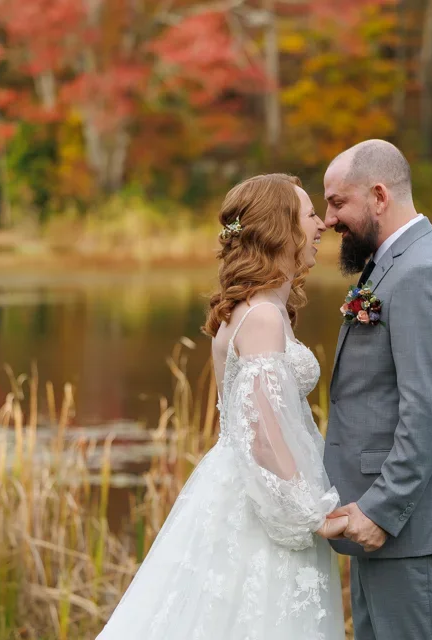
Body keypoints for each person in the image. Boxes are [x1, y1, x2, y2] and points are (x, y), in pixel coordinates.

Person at [96, 173, 347, 639]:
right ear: (281, 228)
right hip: (266, 505)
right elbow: (262, 436)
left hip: (243, 488)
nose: (321, 225)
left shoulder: (246, 311)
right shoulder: (264, 317)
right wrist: (313, 514)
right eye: (310, 214)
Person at [322, 139, 432, 640]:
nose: (330, 220)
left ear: (378, 196)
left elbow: (428, 410)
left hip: (413, 526)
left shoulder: (421, 273)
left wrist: (380, 509)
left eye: (338, 203)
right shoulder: (394, 261)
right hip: (392, 526)